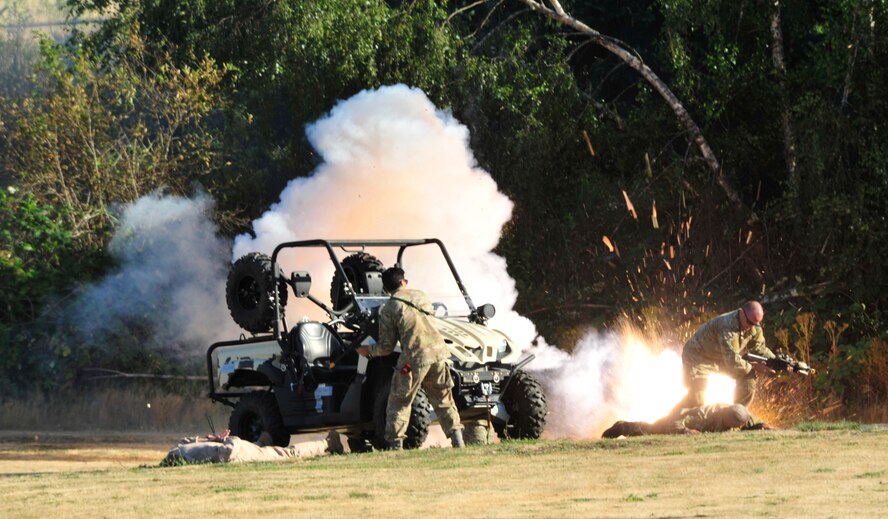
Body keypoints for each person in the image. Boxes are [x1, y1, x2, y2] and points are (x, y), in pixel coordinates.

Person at [356, 267, 464, 450]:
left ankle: (395, 445)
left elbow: (386, 347)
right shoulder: (422, 296)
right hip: (439, 354)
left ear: (386, 288)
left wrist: (369, 351)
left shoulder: (389, 308)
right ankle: (458, 440)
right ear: (403, 282)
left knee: (399, 402)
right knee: (444, 399)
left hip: (414, 359)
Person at [674, 301, 780, 412]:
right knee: (697, 399)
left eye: (755, 324)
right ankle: (671, 419)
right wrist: (754, 366)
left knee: (748, 377)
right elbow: (732, 362)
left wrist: (776, 361)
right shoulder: (726, 326)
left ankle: (737, 414)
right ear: (741, 313)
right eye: (749, 323)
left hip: (720, 357)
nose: (751, 327)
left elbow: (759, 348)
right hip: (697, 357)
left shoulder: (753, 324)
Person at [161, 429, 343, 466]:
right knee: (287, 454)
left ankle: (263, 441)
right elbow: (228, 452)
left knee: (276, 452)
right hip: (238, 451)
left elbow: (185, 441)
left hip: (240, 450)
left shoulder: (178, 451)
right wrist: (224, 439)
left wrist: (213, 438)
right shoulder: (181, 453)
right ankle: (327, 444)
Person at [601, 403, 756, 438]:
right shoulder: (703, 415)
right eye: (735, 425)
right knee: (649, 431)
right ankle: (621, 427)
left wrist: (760, 426)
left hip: (687, 427)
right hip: (672, 422)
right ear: (728, 419)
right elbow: (675, 422)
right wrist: (686, 431)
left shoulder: (738, 413)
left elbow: (748, 422)